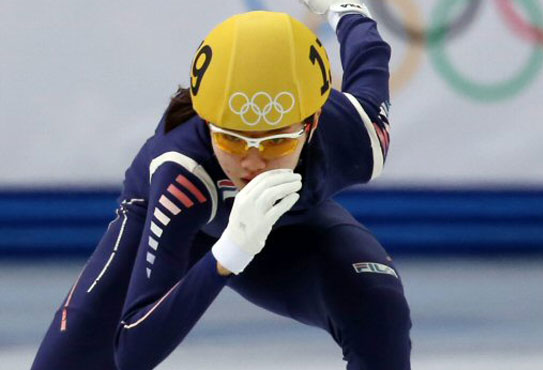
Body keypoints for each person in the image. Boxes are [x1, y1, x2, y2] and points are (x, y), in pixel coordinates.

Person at [31, 1, 411, 369]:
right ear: (207, 122)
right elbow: (132, 351)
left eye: (277, 141)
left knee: (377, 303)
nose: (252, 162)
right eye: (231, 139)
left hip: (288, 227)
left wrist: (342, 7)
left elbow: (368, 52)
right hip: (182, 224)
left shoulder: (356, 136)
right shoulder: (182, 172)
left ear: (311, 125)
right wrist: (228, 253)